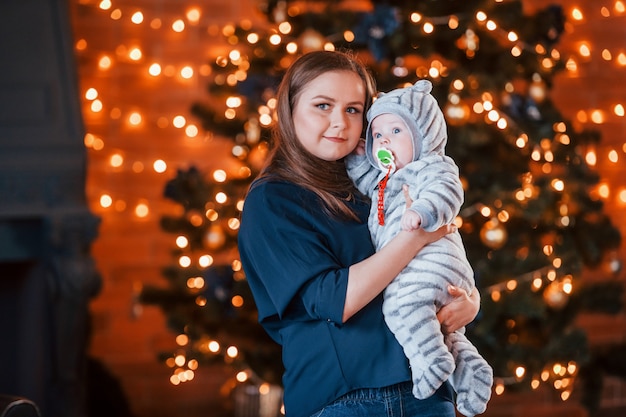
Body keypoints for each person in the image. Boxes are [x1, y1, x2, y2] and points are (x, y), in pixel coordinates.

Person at [238, 50, 481, 417]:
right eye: (323, 105)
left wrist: (469, 300)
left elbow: (441, 252)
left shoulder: (379, 182)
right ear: (289, 109)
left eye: (353, 109)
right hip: (347, 399)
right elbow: (335, 300)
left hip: (425, 391)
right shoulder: (273, 199)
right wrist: (412, 239)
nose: (339, 122)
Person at [345, 80, 493, 416]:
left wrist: (422, 212)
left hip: (431, 259)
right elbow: (366, 182)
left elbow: (446, 191)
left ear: (423, 133)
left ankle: (430, 362)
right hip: (420, 267)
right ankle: (471, 372)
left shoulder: (431, 165)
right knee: (444, 329)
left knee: (400, 307)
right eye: (378, 135)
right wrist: (357, 160)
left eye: (396, 131)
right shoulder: (387, 179)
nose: (384, 141)